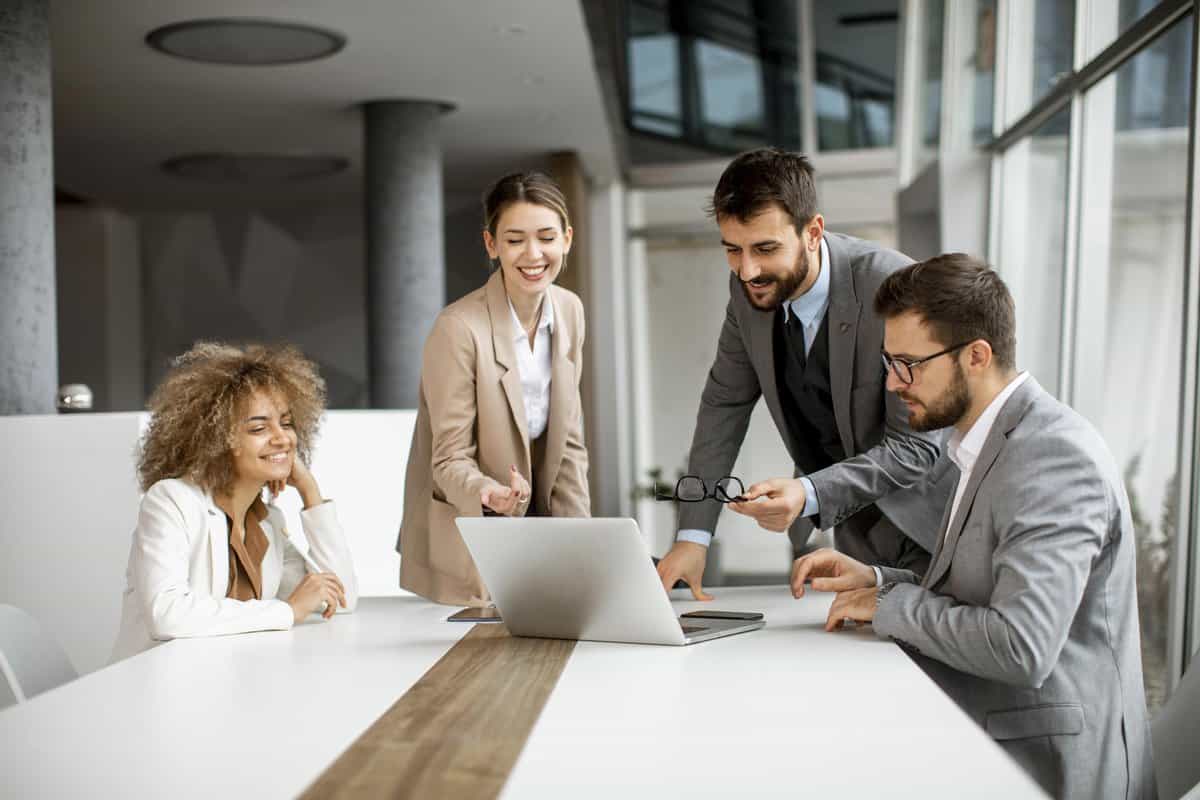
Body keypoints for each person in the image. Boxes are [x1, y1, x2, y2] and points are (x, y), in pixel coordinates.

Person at [789, 254, 1154, 799]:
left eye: (908, 364)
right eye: (889, 363)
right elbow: (983, 590)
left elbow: (1020, 646)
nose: (893, 383)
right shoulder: (984, 440)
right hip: (1002, 738)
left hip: (1052, 764)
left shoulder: (1052, 457)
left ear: (977, 356)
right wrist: (879, 581)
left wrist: (890, 608)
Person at [657, 147, 955, 600]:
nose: (748, 270)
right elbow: (724, 404)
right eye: (732, 250)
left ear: (813, 231)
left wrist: (808, 493)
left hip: (935, 532)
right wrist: (693, 537)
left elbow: (917, 447)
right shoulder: (747, 292)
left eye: (765, 248)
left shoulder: (894, 285)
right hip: (856, 541)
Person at [397, 171, 590, 606]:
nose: (533, 254)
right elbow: (448, 458)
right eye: (515, 239)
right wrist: (488, 492)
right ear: (492, 245)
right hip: (472, 536)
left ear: (567, 238)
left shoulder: (570, 310)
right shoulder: (458, 328)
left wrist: (581, 549)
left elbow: (570, 445)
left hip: (539, 533)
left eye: (546, 237)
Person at [111, 343, 358, 662]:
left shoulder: (267, 521)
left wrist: (310, 491)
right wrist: (286, 611)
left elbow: (339, 598)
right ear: (216, 440)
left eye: (285, 423)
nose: (282, 438)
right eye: (259, 427)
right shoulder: (172, 501)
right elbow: (167, 614)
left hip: (231, 687)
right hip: (155, 687)